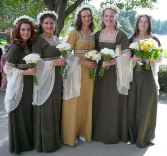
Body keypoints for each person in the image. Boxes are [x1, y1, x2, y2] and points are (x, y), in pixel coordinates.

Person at [92, 4, 132, 144]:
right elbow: (95, 51)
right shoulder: (97, 34)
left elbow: (127, 54)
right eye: (106, 16)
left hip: (115, 73)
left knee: (113, 102)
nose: (108, 18)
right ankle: (99, 132)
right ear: (103, 18)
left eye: (111, 16)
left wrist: (114, 62)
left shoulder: (122, 34)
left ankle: (113, 133)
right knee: (100, 100)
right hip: (100, 72)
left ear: (116, 18)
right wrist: (96, 58)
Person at [61, 5, 97, 146]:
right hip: (76, 69)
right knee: (74, 100)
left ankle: (83, 131)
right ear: (80, 18)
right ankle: (70, 134)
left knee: (86, 101)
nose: (87, 18)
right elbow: (66, 52)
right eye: (84, 16)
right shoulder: (75, 33)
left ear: (91, 17)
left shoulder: (93, 33)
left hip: (90, 71)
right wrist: (83, 62)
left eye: (88, 15)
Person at [128, 13, 164, 148]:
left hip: (149, 75)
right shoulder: (131, 39)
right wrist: (134, 59)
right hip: (134, 76)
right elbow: (125, 59)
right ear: (137, 23)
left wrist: (153, 59)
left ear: (149, 24)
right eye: (140, 21)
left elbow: (161, 57)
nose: (142, 24)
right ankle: (133, 134)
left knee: (147, 104)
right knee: (134, 104)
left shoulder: (154, 40)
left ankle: (145, 135)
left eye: (145, 22)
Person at [32, 11, 65, 152]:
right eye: (46, 23)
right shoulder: (39, 39)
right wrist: (54, 63)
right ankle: (46, 143)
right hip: (45, 77)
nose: (49, 25)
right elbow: (35, 61)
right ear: (41, 24)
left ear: (55, 24)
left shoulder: (57, 39)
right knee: (46, 107)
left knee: (56, 106)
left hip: (57, 77)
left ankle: (55, 139)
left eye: (51, 23)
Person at [3, 15, 36, 154]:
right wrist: (25, 73)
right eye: (23, 29)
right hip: (19, 86)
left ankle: (28, 142)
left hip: (29, 86)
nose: (26, 32)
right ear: (18, 30)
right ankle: (19, 145)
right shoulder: (15, 48)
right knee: (19, 114)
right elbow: (7, 69)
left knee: (27, 114)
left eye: (28, 30)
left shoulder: (29, 45)